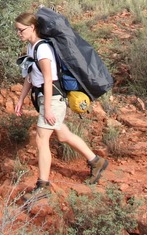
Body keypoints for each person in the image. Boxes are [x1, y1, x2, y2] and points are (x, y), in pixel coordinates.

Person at [13, 12, 110, 197]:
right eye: (17, 30)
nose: (18, 33)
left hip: (52, 99)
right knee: (63, 135)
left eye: (21, 30)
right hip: (44, 98)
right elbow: (30, 77)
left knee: (41, 140)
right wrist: (21, 98)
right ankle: (96, 162)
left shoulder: (43, 49)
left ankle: (42, 187)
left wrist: (48, 109)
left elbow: (49, 79)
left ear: (32, 27)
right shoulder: (31, 47)